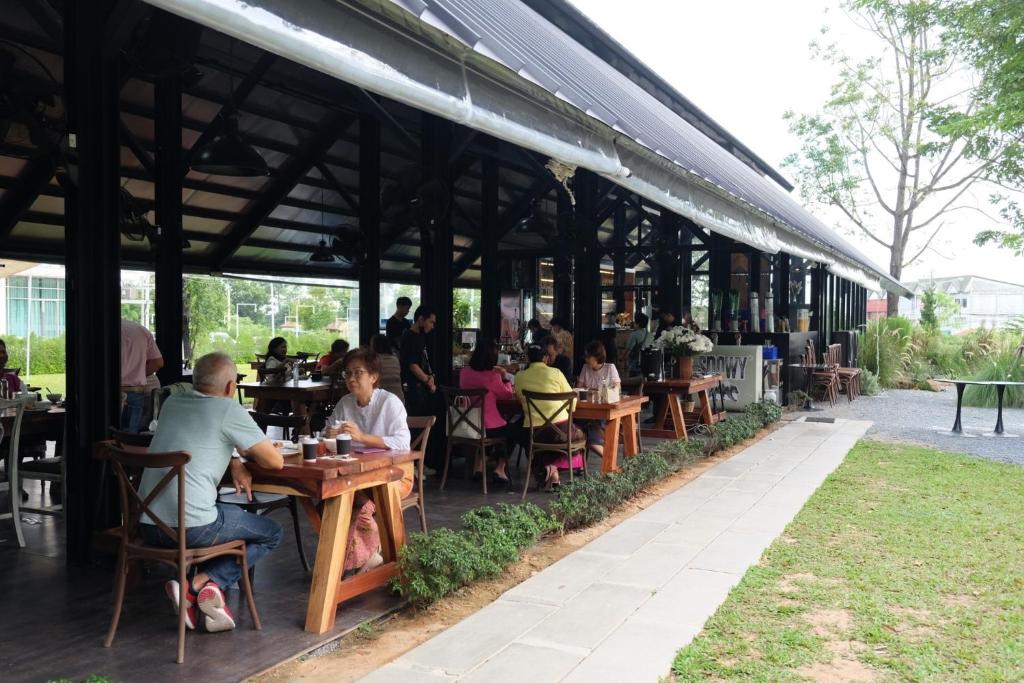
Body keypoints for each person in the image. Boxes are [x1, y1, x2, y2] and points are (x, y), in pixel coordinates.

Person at [138, 352, 284, 633]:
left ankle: (196, 592)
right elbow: (274, 462)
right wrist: (244, 454)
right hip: (193, 529)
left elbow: (201, 435)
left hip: (149, 526)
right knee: (271, 532)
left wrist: (234, 459)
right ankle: (204, 583)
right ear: (231, 388)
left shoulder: (172, 403)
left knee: (225, 515)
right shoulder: (228, 409)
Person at [515, 344, 585, 490]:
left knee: (528, 439)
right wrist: (568, 409)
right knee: (579, 436)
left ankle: (552, 474)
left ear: (528, 358)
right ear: (545, 358)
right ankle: (552, 467)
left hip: (535, 432)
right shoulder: (556, 373)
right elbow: (571, 399)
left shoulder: (519, 377)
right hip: (561, 430)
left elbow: (521, 401)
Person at [458, 338, 518, 489]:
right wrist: (505, 378)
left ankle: (479, 465)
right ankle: (499, 468)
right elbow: (507, 395)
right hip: (488, 427)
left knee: (492, 428)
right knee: (514, 431)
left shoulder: (464, 373)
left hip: (469, 424)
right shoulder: (492, 376)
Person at [399, 305, 441, 468]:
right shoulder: (409, 336)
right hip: (414, 386)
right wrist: (427, 381)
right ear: (420, 319)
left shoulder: (421, 336)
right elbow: (412, 365)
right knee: (416, 425)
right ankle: (413, 464)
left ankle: (420, 462)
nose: (432, 325)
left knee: (424, 424)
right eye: (430, 321)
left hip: (421, 385)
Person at [577, 340, 621, 458]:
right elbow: (579, 389)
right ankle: (582, 462)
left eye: (588, 356)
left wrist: (592, 391)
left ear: (597, 357)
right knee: (577, 425)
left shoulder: (610, 368)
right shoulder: (585, 368)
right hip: (586, 411)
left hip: (604, 411)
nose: (585, 359)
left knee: (587, 428)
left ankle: (608, 460)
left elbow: (616, 388)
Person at [121, 318, 164, 433]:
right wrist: (138, 374)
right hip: (133, 392)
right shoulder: (140, 330)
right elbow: (158, 362)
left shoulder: (96, 328)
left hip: (102, 393)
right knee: (128, 439)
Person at [369, 334, 404, 402]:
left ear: (374, 346)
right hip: (399, 398)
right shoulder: (395, 359)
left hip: (382, 400)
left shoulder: (374, 361)